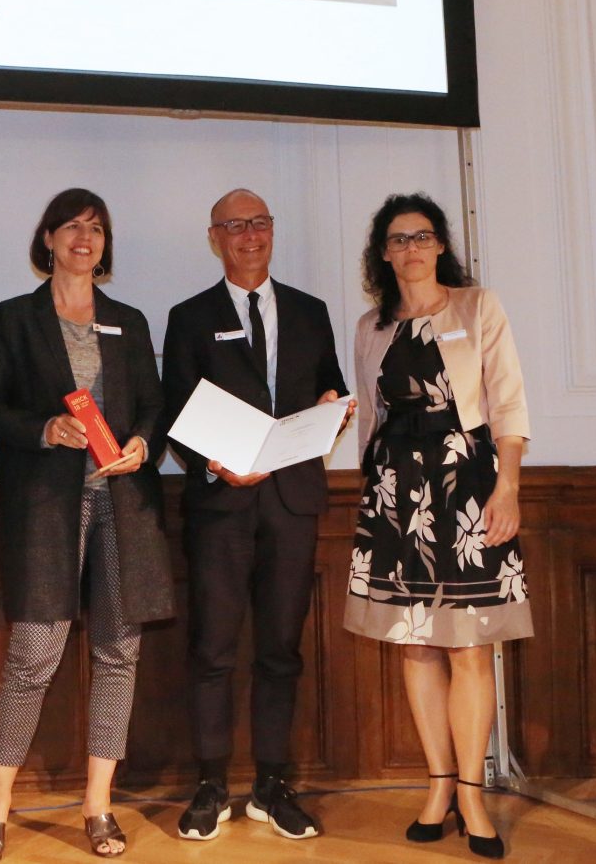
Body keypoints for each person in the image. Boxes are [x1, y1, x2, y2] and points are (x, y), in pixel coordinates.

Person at [0, 188, 174, 861]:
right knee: (33, 653)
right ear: (49, 238)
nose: (86, 238)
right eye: (74, 227)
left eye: (97, 229)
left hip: (124, 505)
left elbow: (154, 406)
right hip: (46, 506)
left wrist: (143, 443)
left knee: (118, 652)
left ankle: (98, 804)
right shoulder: (14, 318)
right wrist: (44, 428)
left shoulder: (128, 321)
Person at [346, 193, 532, 860]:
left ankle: (473, 794)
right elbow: (370, 417)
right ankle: (438, 786)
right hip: (395, 491)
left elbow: (507, 402)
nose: (412, 248)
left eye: (422, 236)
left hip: (468, 487)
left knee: (470, 646)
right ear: (384, 253)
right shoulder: (370, 326)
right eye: (399, 239)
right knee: (416, 644)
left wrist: (507, 486)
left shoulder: (478, 307)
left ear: (441, 245)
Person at [162, 188, 351, 843]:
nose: (250, 235)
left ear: (272, 230)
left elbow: (329, 385)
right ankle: (211, 784)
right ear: (215, 237)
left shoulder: (309, 311)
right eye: (236, 225)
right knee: (212, 648)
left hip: (292, 500)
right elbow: (176, 412)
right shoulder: (189, 317)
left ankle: (273, 784)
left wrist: (334, 408)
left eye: (260, 222)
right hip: (221, 503)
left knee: (280, 650)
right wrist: (216, 464)